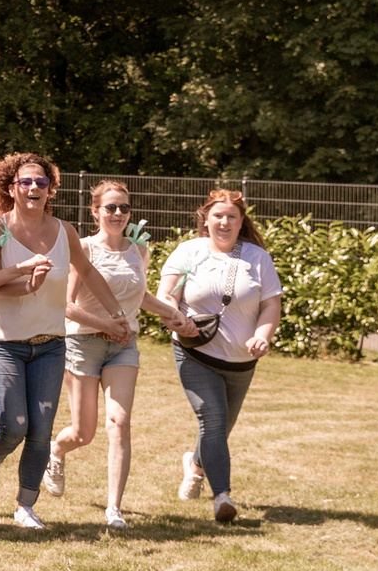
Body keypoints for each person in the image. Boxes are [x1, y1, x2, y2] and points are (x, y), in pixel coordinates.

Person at [0, 147, 125, 530]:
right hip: (2, 341)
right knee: (14, 424)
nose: (34, 187)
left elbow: (88, 272)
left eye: (41, 182)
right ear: (12, 188)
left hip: (51, 342)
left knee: (41, 428)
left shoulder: (64, 231)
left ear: (50, 189)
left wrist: (115, 313)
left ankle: (25, 507)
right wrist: (25, 280)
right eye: (26, 182)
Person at [48, 181, 197, 528]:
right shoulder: (82, 249)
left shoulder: (138, 251)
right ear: (96, 211)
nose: (118, 214)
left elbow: (140, 298)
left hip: (123, 346)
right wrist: (105, 323)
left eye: (124, 208)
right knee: (84, 434)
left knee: (120, 422)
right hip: (83, 343)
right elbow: (66, 306)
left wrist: (174, 316)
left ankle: (114, 509)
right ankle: (56, 452)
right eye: (111, 208)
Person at [158, 188, 284, 523]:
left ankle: (195, 465)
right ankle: (223, 497)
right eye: (218, 216)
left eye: (232, 216)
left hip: (242, 362)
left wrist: (262, 335)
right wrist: (177, 319)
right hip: (195, 353)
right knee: (212, 419)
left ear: (242, 221)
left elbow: (271, 304)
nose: (224, 222)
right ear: (206, 219)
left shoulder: (258, 258)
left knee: (219, 429)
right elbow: (166, 295)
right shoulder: (189, 252)